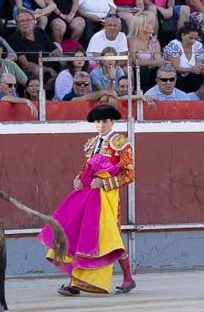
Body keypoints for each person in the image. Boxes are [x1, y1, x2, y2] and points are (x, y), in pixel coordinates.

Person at [43, 104, 135, 295]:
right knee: (81, 234)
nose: (101, 125)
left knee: (110, 237)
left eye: (105, 121)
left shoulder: (121, 144)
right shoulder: (91, 144)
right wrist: (78, 179)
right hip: (88, 195)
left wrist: (104, 183)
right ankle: (74, 282)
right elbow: (86, 169)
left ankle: (128, 278)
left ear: (112, 122)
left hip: (108, 197)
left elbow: (129, 175)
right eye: (98, 122)